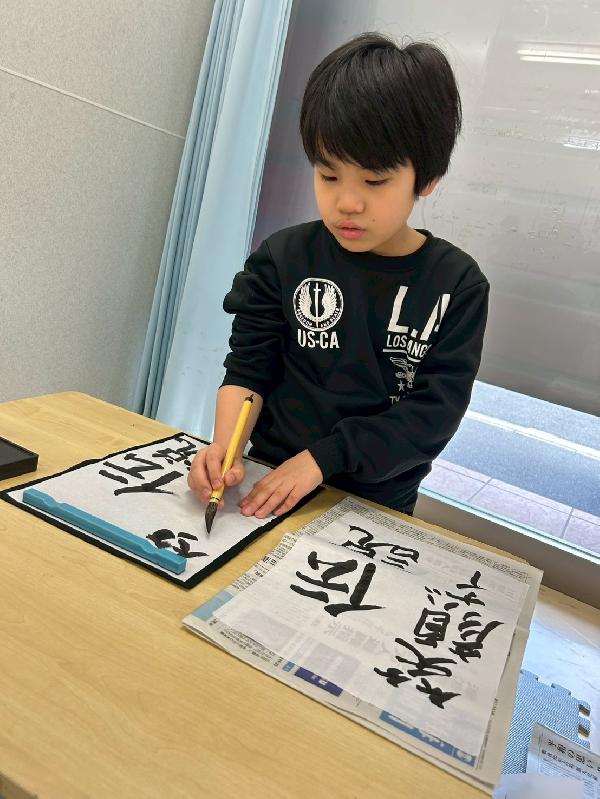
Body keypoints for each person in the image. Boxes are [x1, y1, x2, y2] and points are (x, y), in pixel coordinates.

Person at [188, 31, 489, 520]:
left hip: (374, 503)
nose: (346, 201)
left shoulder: (456, 286)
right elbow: (248, 369)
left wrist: (321, 460)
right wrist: (225, 448)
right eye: (328, 175)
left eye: (374, 180)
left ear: (428, 178)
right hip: (266, 481)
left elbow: (431, 417)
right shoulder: (283, 257)